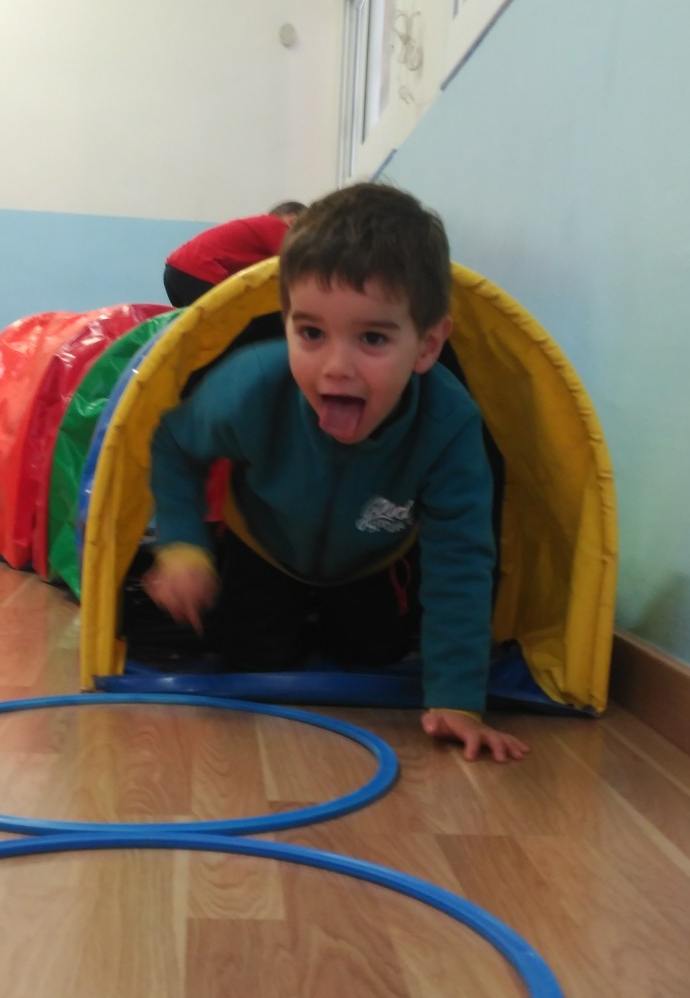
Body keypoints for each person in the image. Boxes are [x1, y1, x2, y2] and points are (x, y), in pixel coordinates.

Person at [144, 182, 529, 764]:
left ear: (427, 345)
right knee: (253, 659)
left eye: (372, 338)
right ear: (285, 323)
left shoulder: (449, 424)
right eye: (311, 333)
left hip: (371, 557)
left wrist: (457, 699)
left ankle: (335, 617)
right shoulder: (253, 385)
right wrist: (182, 543)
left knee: (374, 653)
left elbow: (462, 557)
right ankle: (287, 613)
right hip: (266, 542)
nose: (336, 367)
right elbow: (176, 444)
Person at [162, 201, 305, 308]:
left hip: (174, 271)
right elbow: (296, 264)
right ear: (292, 220)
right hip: (198, 272)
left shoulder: (257, 230)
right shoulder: (275, 225)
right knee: (218, 326)